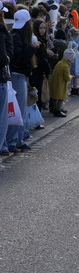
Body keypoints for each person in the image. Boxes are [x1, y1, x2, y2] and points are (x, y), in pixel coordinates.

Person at [6, 9, 37, 152]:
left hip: (20, 75)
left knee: (19, 110)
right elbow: (19, 59)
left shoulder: (15, 35)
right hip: (17, 75)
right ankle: (13, 141)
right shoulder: (17, 37)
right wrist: (32, 48)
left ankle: (17, 139)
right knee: (17, 110)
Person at [0, 10, 14, 166]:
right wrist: (7, 58)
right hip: (1, 78)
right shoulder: (2, 30)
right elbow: (3, 58)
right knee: (2, 118)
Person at [48, 49, 74, 117]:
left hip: (55, 82)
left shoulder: (60, 63)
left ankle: (54, 109)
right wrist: (71, 77)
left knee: (55, 97)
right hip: (60, 84)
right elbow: (67, 77)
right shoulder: (66, 66)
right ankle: (58, 110)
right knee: (61, 98)